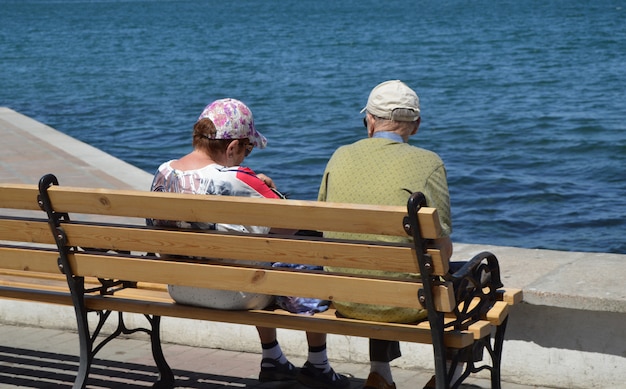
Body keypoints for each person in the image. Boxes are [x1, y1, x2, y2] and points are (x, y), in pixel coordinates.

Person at [149, 98, 349, 389]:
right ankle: (318, 363)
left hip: (179, 288)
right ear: (231, 148)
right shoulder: (240, 178)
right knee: (305, 248)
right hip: (234, 295)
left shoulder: (164, 172)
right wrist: (268, 188)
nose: (246, 157)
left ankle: (273, 359)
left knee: (252, 253)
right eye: (247, 149)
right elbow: (293, 223)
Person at [317, 80, 456, 389]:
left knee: (372, 263)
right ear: (416, 125)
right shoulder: (429, 163)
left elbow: (322, 222)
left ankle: (380, 372)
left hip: (348, 297)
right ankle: (448, 372)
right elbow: (443, 248)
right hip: (409, 303)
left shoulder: (339, 156)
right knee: (481, 277)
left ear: (369, 121)